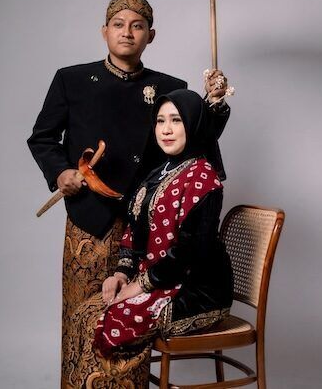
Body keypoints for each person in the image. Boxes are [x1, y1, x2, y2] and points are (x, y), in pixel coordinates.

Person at [27, 0, 231, 387]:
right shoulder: (71, 79)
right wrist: (61, 172)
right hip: (90, 220)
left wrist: (214, 103)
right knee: (83, 316)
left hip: (148, 221)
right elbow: (42, 138)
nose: (127, 32)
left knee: (127, 326)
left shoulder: (169, 87)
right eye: (118, 25)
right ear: (104, 31)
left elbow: (196, 139)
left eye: (137, 26)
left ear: (150, 36)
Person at [64, 89, 233, 387]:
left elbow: (192, 252)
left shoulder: (204, 178)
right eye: (160, 121)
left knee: (107, 325)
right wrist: (121, 273)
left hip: (195, 290)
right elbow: (135, 232)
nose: (166, 129)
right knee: (83, 315)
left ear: (193, 124)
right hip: (159, 279)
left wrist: (140, 285)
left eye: (176, 120)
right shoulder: (158, 173)